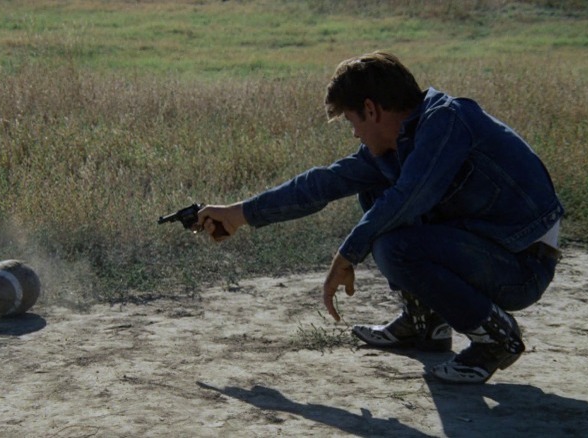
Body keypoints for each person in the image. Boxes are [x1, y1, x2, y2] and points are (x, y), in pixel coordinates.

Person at [196, 51, 563, 384]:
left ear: (371, 109)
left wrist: (347, 254)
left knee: (393, 244)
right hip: (482, 253)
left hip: (521, 268)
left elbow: (409, 199)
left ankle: (496, 338)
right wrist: (238, 214)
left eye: (352, 122)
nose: (355, 132)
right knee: (372, 194)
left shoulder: (447, 122)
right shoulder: (396, 144)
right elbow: (322, 183)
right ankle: (426, 325)